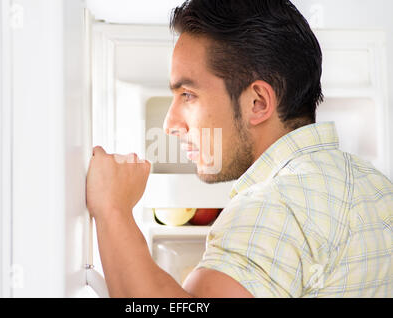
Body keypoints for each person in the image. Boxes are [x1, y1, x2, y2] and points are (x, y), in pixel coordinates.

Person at [86, 0, 392, 297]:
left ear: (257, 102)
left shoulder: (273, 206)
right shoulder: (376, 185)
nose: (170, 124)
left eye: (188, 95)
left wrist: (113, 210)